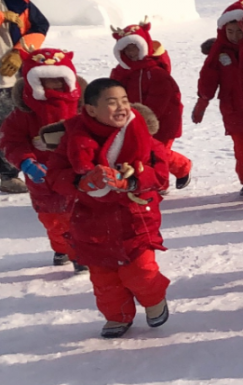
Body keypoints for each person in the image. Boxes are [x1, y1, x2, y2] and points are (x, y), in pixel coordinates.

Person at [45, 78, 172, 339]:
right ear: (91, 109)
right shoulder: (74, 138)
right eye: (112, 102)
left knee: (141, 272)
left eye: (125, 100)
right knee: (105, 280)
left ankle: (154, 299)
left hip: (135, 218)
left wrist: (132, 180)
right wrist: (80, 182)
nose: (121, 107)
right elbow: (55, 176)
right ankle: (117, 316)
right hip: (92, 222)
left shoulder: (140, 133)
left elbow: (160, 174)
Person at [0, 49, 83, 269]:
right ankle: (61, 247)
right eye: (45, 80)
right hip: (42, 178)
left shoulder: (82, 108)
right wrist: (26, 161)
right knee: (53, 219)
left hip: (77, 173)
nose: (53, 85)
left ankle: (79, 253)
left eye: (58, 79)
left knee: (81, 216)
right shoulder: (24, 113)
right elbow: (11, 141)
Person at [193, 0, 243, 197]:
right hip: (232, 107)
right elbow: (208, 76)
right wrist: (203, 100)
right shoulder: (219, 52)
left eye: (239, 31)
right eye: (230, 31)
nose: (234, 36)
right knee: (241, 147)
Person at [110, 21, 191, 189]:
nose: (131, 53)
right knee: (141, 151)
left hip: (162, 121)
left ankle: (177, 171)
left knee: (158, 152)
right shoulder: (121, 72)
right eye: (127, 49)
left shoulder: (155, 72)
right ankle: (153, 181)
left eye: (135, 48)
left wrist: (146, 120)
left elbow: (160, 99)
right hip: (133, 120)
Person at [0, 0, 49, 194]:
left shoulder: (16, 0)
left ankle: (7, 174)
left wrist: (19, 52)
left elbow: (40, 25)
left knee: (10, 127)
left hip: (9, 78)